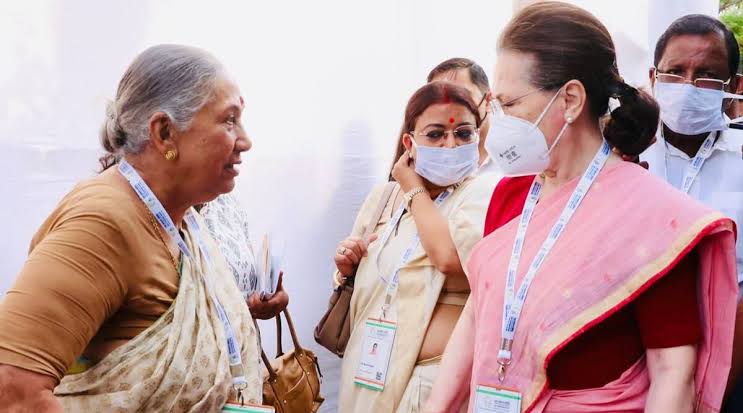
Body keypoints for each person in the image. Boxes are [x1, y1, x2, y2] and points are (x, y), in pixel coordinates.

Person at [424, 3, 738, 412]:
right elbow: (478, 313)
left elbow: (672, 371)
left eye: (511, 104)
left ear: (570, 100)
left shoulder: (653, 216)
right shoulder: (509, 194)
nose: (499, 123)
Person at [0, 44, 264, 411]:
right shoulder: (102, 223)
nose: (245, 141)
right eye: (229, 120)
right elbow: (14, 389)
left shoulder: (183, 220)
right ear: (165, 133)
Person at [335, 81, 491, 412]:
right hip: (368, 372)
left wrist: (412, 187)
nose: (451, 144)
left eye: (463, 133)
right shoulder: (385, 200)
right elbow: (371, 280)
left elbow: (449, 258)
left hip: (428, 388)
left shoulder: (482, 195)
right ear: (410, 143)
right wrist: (349, 266)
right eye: (436, 135)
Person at [199, 194, 289, 320]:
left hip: (245, 332)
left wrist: (272, 299)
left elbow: (247, 282)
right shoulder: (176, 213)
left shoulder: (228, 202)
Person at [426, 58, 497, 176]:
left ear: (488, 101)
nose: (450, 106)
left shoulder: (515, 160)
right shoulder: (427, 163)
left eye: (462, 95)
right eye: (437, 98)